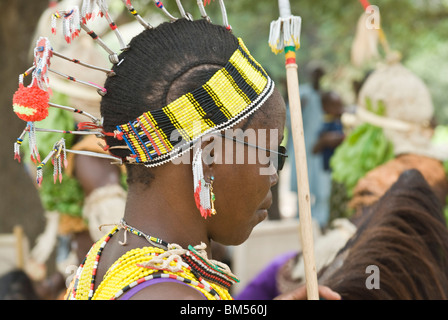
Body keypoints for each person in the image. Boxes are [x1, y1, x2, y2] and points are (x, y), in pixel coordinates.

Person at [13, 2, 340, 301]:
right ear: (208, 154)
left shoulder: (111, 248)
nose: (272, 175)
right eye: (270, 154)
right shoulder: (170, 293)